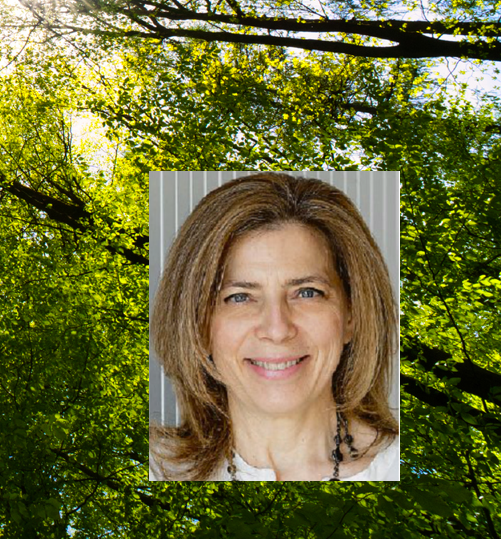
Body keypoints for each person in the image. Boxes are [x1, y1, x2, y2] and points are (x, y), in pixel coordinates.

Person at [149, 173, 399, 480]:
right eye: (239, 297)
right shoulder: (155, 468)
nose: (277, 329)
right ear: (198, 326)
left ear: (351, 314)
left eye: (307, 292)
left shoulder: (399, 467)